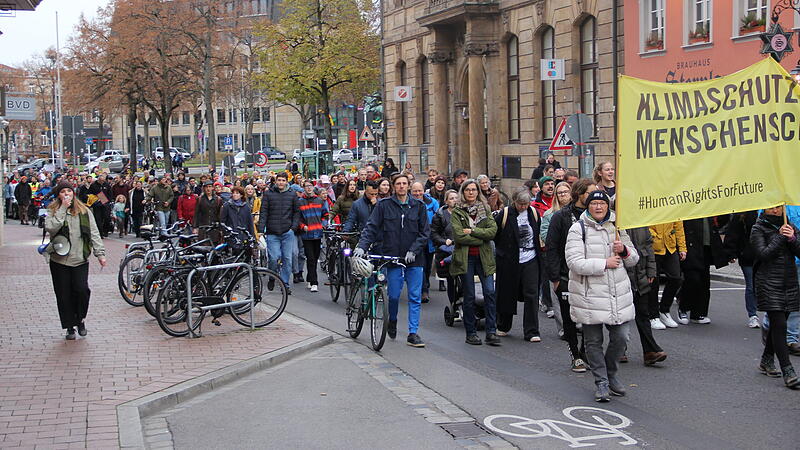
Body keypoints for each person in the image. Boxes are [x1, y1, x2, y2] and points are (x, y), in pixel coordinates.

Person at [565, 191, 638, 402]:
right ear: (588, 206)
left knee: (621, 337)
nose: (598, 207)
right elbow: (574, 262)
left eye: (602, 203)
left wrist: (623, 250)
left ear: (608, 206)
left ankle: (611, 373)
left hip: (617, 294)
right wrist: (604, 263)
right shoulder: (578, 229)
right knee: (593, 342)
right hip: (590, 295)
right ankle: (602, 382)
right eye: (594, 203)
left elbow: (633, 259)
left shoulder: (617, 227)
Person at [354, 173, 430, 348]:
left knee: (414, 296)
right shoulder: (384, 205)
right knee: (394, 295)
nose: (401, 186)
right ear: (394, 186)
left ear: (408, 186)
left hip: (414, 259)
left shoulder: (419, 206)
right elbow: (371, 227)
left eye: (404, 183)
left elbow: (425, 232)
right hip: (393, 257)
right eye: (398, 184)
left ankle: (413, 333)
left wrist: (414, 250)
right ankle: (392, 320)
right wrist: (362, 246)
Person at [545, 178, 597, 373]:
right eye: (589, 193)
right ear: (579, 194)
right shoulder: (561, 216)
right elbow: (551, 247)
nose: (593, 197)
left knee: (590, 317)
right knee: (569, 317)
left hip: (590, 273)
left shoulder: (595, 215)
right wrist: (555, 279)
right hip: (566, 275)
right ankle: (575, 354)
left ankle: (585, 351)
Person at [45, 182, 106, 340]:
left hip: (79, 259)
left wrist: (100, 254)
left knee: (81, 290)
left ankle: (80, 319)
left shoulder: (84, 211)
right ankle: (69, 326)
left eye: (69, 191)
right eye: (63, 191)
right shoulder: (53, 210)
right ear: (58, 195)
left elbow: (94, 233)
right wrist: (62, 209)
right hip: (59, 259)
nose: (66, 194)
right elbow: (51, 227)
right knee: (63, 294)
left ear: (73, 193)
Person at [751, 206, 800, 389]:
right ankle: (788, 370)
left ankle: (766, 359)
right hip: (768, 282)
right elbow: (763, 254)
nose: (775, 210)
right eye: (771, 207)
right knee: (780, 325)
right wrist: (780, 237)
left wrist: (792, 238)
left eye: (779, 207)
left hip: (789, 282)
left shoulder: (790, 226)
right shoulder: (758, 228)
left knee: (778, 324)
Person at [450, 179, 500, 346]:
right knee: (469, 295)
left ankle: (491, 332)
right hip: (466, 258)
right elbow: (459, 236)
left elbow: (492, 232)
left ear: (478, 192)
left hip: (484, 257)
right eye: (468, 190)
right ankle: (471, 333)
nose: (471, 192)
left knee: (490, 293)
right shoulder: (457, 211)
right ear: (463, 192)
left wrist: (472, 231)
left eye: (474, 189)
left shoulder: (485, 208)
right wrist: (481, 237)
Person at [495, 188, 542, 342]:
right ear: (514, 201)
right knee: (507, 292)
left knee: (532, 294)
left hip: (531, 258)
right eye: (521, 204)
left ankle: (532, 331)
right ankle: (503, 325)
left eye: (526, 204)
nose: (523, 207)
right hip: (509, 260)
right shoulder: (505, 214)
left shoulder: (533, 213)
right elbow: (495, 235)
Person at [625, 226, 668, 365]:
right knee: (620, 317)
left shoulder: (641, 223)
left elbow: (649, 246)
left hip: (640, 275)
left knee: (643, 313)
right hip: (621, 276)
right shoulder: (613, 221)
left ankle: (650, 351)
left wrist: (651, 270)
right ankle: (620, 349)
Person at [677, 217, 729, 324]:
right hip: (691, 245)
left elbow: (723, 220)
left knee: (704, 281)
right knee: (693, 279)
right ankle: (683, 308)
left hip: (707, 247)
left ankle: (698, 313)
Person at [258, 172, 300, 293]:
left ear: (286, 182)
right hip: (272, 232)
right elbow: (264, 212)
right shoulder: (268, 194)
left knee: (287, 259)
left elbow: (296, 212)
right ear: (276, 181)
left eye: (283, 180)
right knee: (274, 258)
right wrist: (261, 230)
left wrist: (293, 228)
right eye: (279, 180)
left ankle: (285, 284)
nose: (281, 182)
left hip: (287, 232)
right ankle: (272, 276)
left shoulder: (292, 194)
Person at [724, 211, 761, 328]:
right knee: (751, 286)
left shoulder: (768, 213)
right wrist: (731, 253)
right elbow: (733, 233)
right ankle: (753, 315)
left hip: (765, 256)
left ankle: (770, 315)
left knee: (765, 286)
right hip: (748, 256)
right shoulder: (742, 215)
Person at [648, 221, 687, 329]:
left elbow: (678, 227)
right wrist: (653, 236)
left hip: (670, 246)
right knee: (653, 282)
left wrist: (682, 248)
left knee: (676, 278)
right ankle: (653, 315)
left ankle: (664, 310)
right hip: (653, 247)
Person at [411, 181, 439, 303]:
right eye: (415, 191)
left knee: (427, 266)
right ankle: (423, 290)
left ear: (424, 191)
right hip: (415, 239)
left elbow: (438, 218)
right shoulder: (408, 203)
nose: (417, 193)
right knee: (420, 265)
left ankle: (425, 285)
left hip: (429, 239)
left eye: (419, 191)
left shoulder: (432, 202)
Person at [298, 180, 328, 292]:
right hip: (306, 234)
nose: (309, 188)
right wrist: (302, 226)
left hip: (318, 233)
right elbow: (297, 218)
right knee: (310, 258)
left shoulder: (319, 200)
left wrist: (323, 224)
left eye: (310, 186)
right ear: (303, 188)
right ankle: (314, 282)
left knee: (315, 258)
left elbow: (325, 214)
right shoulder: (300, 202)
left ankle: (310, 277)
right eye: (306, 186)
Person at [431, 190, 458, 306]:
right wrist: (444, 241)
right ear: (446, 201)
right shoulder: (440, 215)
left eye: (456, 198)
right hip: (447, 251)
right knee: (451, 280)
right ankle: (453, 304)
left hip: (461, 248)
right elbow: (434, 233)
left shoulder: (464, 213)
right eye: (451, 198)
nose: (454, 200)